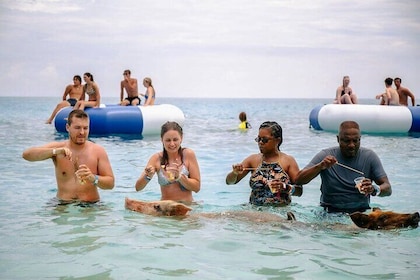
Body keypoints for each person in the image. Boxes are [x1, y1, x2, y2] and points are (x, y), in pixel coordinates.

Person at [295, 121, 391, 213]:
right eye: (346, 141)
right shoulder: (325, 156)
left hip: (361, 212)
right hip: (330, 211)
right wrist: (320, 166)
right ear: (338, 139)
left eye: (355, 141)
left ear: (360, 139)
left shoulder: (369, 156)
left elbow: (388, 189)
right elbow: (298, 180)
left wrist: (374, 189)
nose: (351, 145)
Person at [22, 109, 115, 203]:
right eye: (77, 128)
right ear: (67, 127)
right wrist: (54, 152)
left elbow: (110, 184)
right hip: (63, 204)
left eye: (85, 128)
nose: (82, 132)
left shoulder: (98, 151)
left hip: (90, 205)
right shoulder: (58, 148)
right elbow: (27, 155)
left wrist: (93, 178)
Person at [226, 121, 302, 206]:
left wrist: (286, 187)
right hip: (255, 211)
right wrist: (234, 173)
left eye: (265, 140)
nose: (260, 143)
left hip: (279, 212)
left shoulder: (288, 161)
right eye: (258, 139)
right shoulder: (253, 160)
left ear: (277, 140)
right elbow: (230, 182)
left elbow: (299, 191)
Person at [135, 121, 200, 203]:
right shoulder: (156, 158)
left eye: (175, 139)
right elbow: (138, 188)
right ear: (162, 140)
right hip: (165, 209)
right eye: (168, 140)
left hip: (186, 207)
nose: (172, 144)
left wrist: (180, 177)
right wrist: (147, 176)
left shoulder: (188, 155)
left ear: (181, 138)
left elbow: (197, 187)